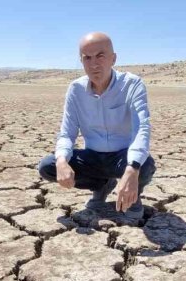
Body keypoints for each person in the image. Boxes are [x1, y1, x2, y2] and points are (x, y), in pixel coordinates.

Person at [37, 31, 156, 221]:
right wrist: (61, 160)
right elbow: (67, 133)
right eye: (87, 58)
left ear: (113, 58)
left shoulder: (132, 85)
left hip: (121, 157)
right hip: (92, 156)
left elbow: (141, 128)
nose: (94, 64)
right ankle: (101, 186)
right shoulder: (76, 89)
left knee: (144, 164)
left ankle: (133, 196)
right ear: (82, 61)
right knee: (48, 166)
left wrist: (132, 168)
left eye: (100, 56)